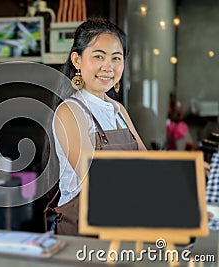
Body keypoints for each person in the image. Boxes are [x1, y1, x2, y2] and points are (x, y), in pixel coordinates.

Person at [46, 18, 146, 235]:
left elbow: (148, 165)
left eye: (116, 58)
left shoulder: (118, 110)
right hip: (84, 232)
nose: (107, 67)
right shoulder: (70, 111)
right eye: (98, 56)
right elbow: (95, 178)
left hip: (124, 224)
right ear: (77, 60)